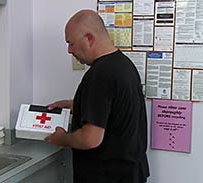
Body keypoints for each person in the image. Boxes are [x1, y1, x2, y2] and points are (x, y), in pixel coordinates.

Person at [45, 9, 150, 183]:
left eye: (71, 43)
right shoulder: (123, 64)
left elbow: (90, 139)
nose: (69, 50)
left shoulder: (99, 75)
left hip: (106, 176)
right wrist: (77, 105)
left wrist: (63, 138)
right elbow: (116, 108)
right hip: (130, 173)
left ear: (89, 38)